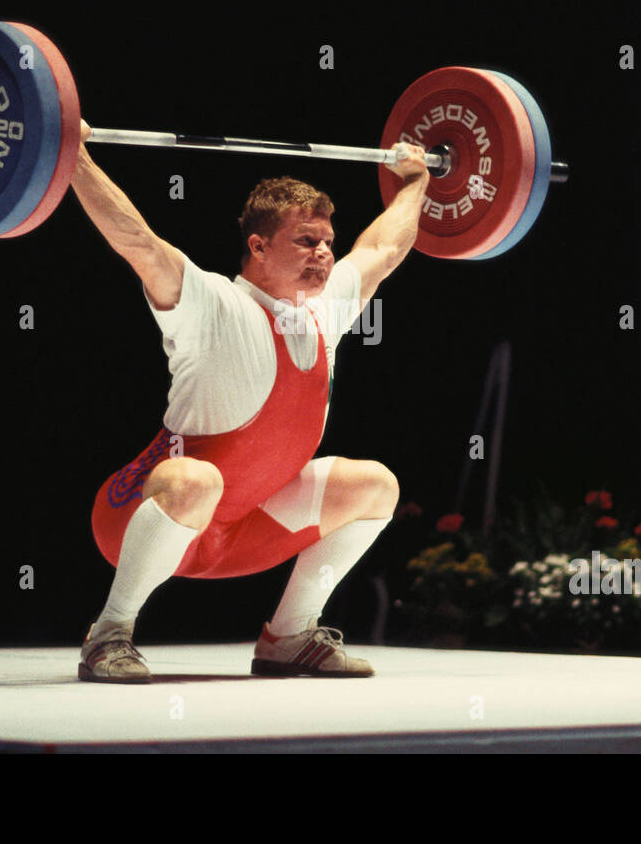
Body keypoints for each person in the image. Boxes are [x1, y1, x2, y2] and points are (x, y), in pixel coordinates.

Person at [70, 119, 429, 682]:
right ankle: (109, 633)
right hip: (143, 512)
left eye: (328, 242)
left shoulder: (323, 309)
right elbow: (136, 241)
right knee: (198, 480)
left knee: (376, 485)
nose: (324, 254)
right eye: (306, 241)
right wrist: (72, 155)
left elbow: (384, 247)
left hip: (235, 532)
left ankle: (288, 638)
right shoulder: (211, 302)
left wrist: (417, 182)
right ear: (257, 246)